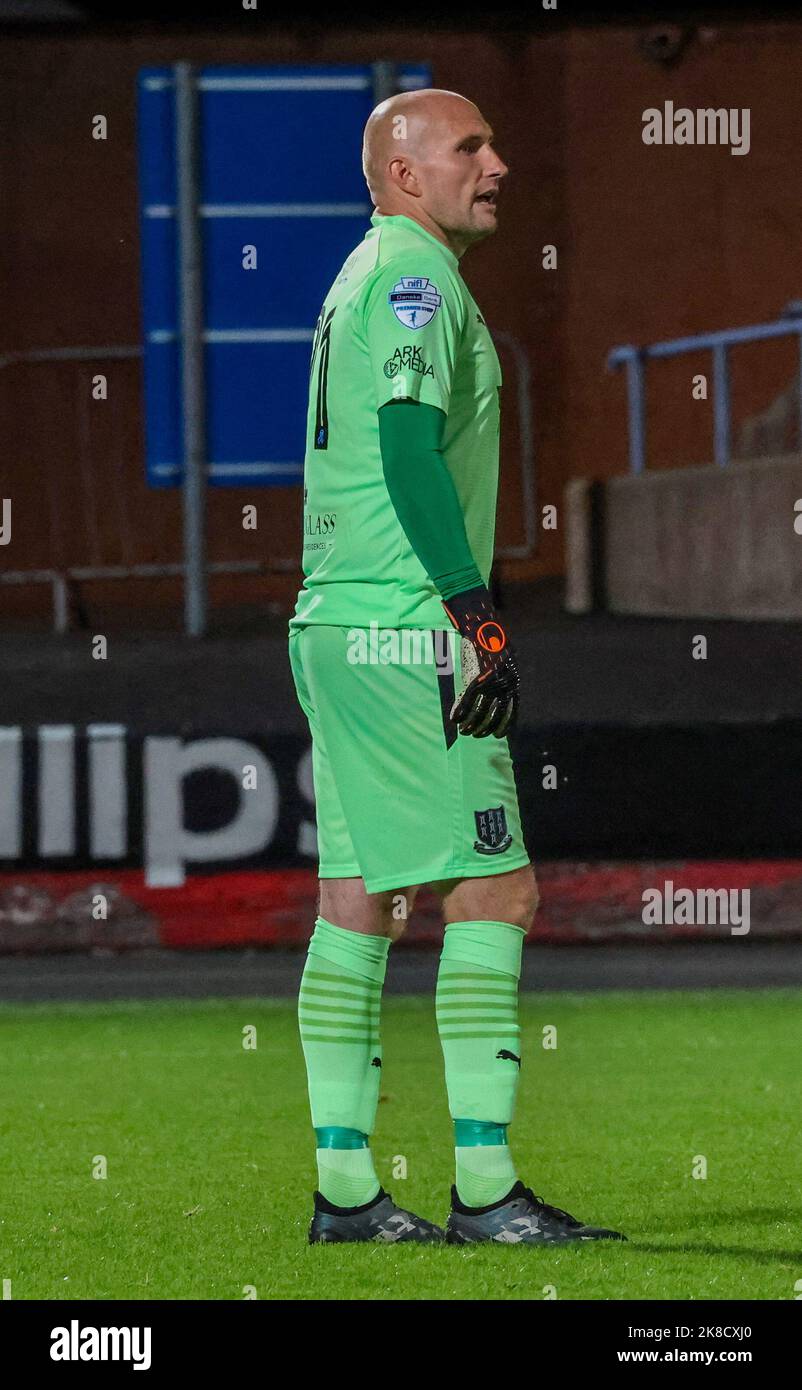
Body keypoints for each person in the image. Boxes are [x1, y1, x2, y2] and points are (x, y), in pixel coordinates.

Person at [289, 87, 625, 1246]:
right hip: (405, 622)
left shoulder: (359, 273)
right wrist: (476, 613)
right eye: (469, 146)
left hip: (333, 622)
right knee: (495, 889)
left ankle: (345, 1191)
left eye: (492, 138)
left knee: (358, 901)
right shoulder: (417, 280)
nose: (497, 161)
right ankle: (484, 1192)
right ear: (402, 171)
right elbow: (402, 443)